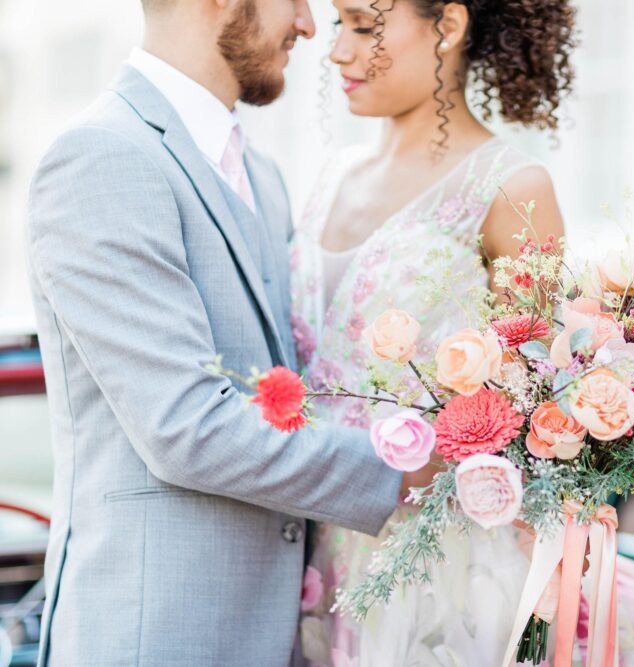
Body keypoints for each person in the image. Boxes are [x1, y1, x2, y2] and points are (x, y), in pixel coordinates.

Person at [292, 1, 634, 664]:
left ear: (448, 27)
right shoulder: (328, 177)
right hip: (303, 538)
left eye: (363, 27)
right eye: (338, 25)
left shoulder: (512, 187)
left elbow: (539, 397)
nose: (337, 51)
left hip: (437, 566)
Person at [26, 1, 435, 664]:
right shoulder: (101, 157)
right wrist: (405, 468)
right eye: (294, 0)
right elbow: (185, 425)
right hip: (156, 636)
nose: (307, 25)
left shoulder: (265, 179)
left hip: (278, 632)